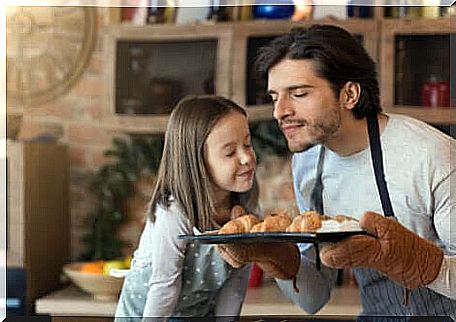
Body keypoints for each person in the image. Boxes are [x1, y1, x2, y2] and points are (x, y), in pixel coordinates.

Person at [218, 24, 455, 319]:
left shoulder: (431, 156)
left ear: (350, 94)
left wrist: (423, 264)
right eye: (274, 97)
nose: (280, 112)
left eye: (299, 93)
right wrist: (279, 260)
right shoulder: (308, 165)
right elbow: (315, 297)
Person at [114, 95, 262, 321]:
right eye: (230, 152)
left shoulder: (247, 211)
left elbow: (235, 284)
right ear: (196, 162)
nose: (246, 158)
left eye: (248, 144)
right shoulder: (174, 212)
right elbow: (164, 288)